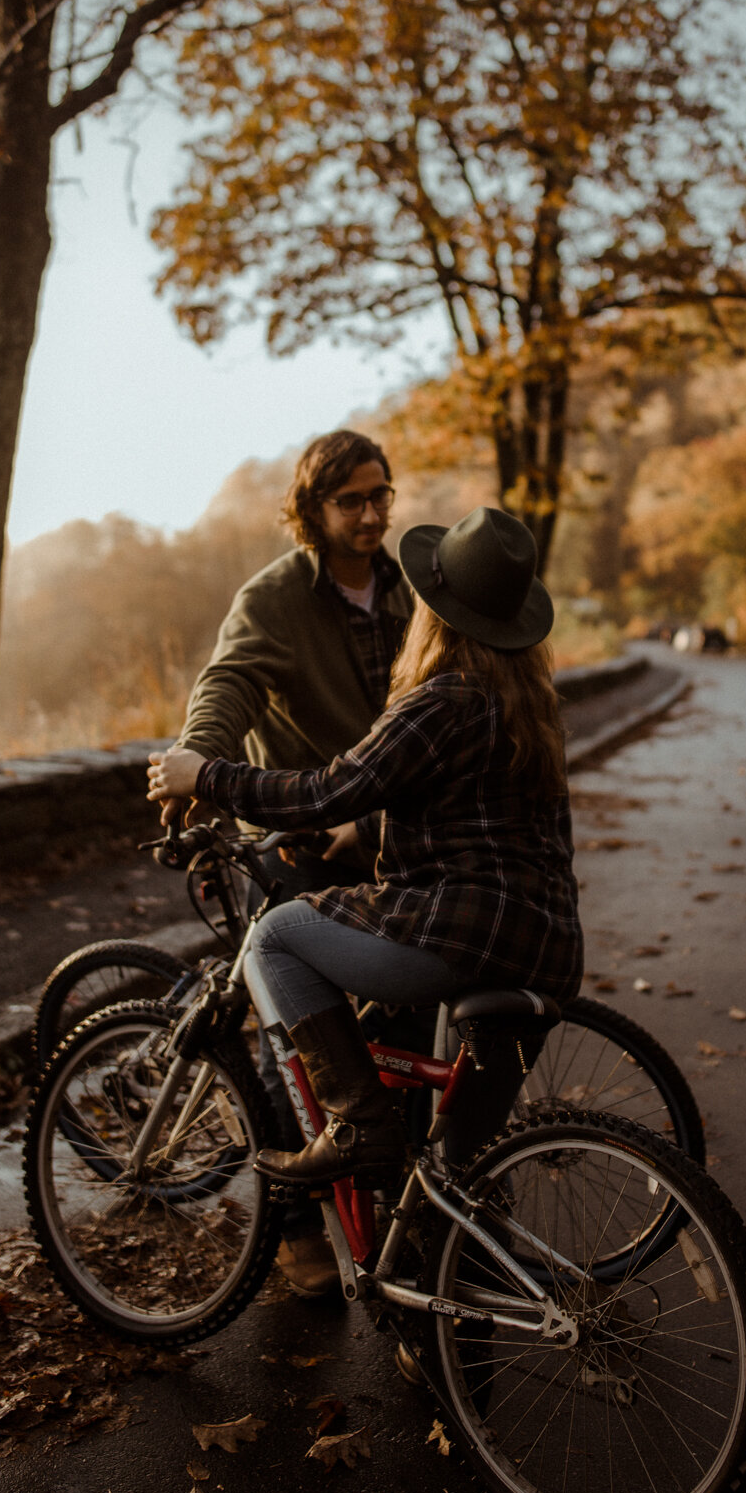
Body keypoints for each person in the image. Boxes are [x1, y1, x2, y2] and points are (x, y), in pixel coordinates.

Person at [147, 505, 583, 1192]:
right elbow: (485, 817)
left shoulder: (443, 699)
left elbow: (329, 788)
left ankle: (356, 1125)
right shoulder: (530, 704)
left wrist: (206, 775)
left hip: (464, 936)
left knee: (276, 936)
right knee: (458, 1174)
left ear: (433, 613)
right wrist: (366, 832)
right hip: (546, 949)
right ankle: (477, 1283)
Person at [161, 429, 413, 1293]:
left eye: (381, 494)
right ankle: (296, 1227)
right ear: (312, 512)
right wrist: (198, 766)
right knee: (290, 1030)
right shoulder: (275, 596)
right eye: (352, 500)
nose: (372, 513)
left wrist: (377, 816)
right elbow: (226, 684)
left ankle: (404, 1205)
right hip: (302, 829)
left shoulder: (411, 589)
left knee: (397, 1018)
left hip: (389, 828)